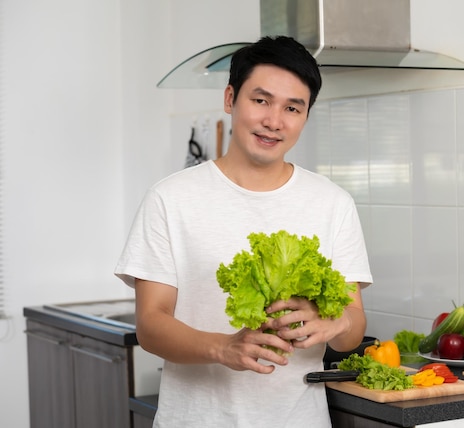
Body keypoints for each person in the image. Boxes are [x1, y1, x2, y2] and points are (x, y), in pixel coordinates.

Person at [115, 35, 372, 428]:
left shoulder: (332, 203)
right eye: (261, 100)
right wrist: (223, 347)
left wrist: (337, 324)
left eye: (292, 108)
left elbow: (352, 328)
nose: (274, 121)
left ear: (306, 116)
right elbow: (150, 324)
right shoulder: (170, 198)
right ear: (230, 99)